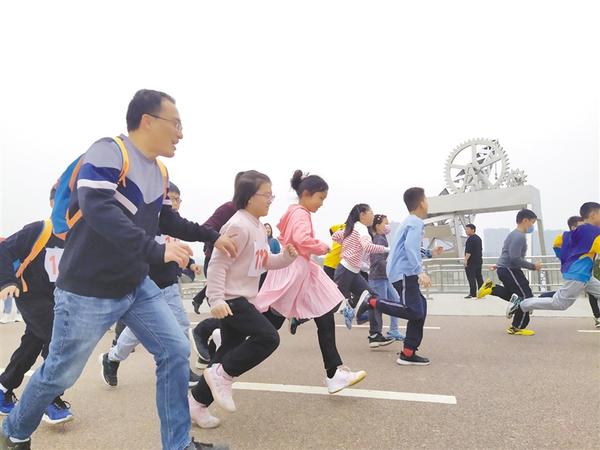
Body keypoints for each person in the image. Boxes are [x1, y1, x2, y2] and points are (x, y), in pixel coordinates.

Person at [0, 89, 234, 450]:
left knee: (174, 350)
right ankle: (13, 432)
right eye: (175, 124)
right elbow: (98, 208)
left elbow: (166, 219)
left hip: (135, 285)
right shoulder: (109, 151)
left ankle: (177, 445)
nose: (180, 133)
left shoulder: (159, 171)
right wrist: (156, 250)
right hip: (87, 291)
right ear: (147, 121)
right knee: (60, 372)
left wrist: (211, 236)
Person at [189, 170, 298, 427]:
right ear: (249, 197)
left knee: (227, 351)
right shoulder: (238, 225)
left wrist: (286, 258)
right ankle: (222, 376)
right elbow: (218, 264)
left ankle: (195, 404)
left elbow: (264, 261)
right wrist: (216, 299)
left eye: (272, 195)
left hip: (243, 299)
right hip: (231, 299)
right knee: (268, 337)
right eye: (267, 195)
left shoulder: (257, 226)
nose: (271, 200)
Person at [254, 170, 367, 393]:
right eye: (320, 198)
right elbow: (300, 239)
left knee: (322, 313)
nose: (321, 204)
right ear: (306, 194)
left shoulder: (293, 212)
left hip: (298, 270)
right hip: (296, 271)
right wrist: (321, 247)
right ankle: (226, 336)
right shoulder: (301, 213)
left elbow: (289, 236)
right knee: (272, 321)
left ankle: (334, 373)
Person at [100, 182, 203, 388]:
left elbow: (173, 247)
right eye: (171, 199)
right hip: (148, 284)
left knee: (180, 324)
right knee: (136, 332)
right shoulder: (148, 220)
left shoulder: (173, 224)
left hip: (169, 284)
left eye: (177, 200)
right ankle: (112, 358)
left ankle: (182, 370)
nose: (174, 204)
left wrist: (190, 263)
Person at [354, 188, 442, 365]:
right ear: (421, 203)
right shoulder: (416, 222)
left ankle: (408, 352)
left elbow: (406, 247)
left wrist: (429, 253)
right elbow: (409, 247)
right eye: (426, 199)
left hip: (402, 272)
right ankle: (372, 302)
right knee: (414, 310)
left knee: (420, 308)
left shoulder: (409, 221)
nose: (427, 202)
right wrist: (420, 271)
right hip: (405, 273)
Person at [0, 214, 72, 424]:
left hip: (57, 299)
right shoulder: (40, 229)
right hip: (30, 294)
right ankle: (48, 399)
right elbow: (4, 250)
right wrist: (6, 281)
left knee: (31, 344)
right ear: (54, 204)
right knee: (58, 339)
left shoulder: (78, 237)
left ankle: (4, 387)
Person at [507, 202, 600, 321]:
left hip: (582, 274)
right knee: (560, 304)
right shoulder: (595, 233)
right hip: (578, 275)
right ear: (593, 215)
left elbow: (557, 243)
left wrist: (568, 260)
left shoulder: (576, 231)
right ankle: (521, 304)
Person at [332, 204, 394, 348]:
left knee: (374, 298)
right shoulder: (361, 228)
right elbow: (368, 247)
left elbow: (335, 236)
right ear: (362, 214)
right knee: (331, 303)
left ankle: (375, 335)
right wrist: (388, 249)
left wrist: (348, 240)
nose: (373, 215)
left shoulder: (353, 227)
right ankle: (299, 318)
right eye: (371, 212)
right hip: (345, 271)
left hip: (353, 272)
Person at [477, 209, 541, 335]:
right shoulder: (519, 237)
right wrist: (533, 266)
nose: (532, 226)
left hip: (505, 268)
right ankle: (517, 327)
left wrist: (498, 265)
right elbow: (515, 258)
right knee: (526, 297)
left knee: (515, 295)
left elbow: (506, 253)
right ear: (525, 221)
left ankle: (491, 288)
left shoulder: (513, 234)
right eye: (532, 223)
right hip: (511, 269)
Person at [369, 214, 405, 341]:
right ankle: (373, 331)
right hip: (377, 278)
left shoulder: (382, 237)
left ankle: (394, 330)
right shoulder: (379, 239)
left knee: (395, 300)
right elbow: (378, 260)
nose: (388, 226)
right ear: (378, 226)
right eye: (386, 223)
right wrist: (391, 269)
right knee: (379, 305)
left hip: (384, 278)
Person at [464, 223, 483, 299]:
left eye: (467, 229)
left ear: (473, 230)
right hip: (478, 261)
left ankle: (472, 294)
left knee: (471, 278)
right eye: (465, 229)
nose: (466, 231)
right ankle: (481, 293)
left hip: (471, 262)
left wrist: (466, 260)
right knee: (479, 277)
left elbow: (469, 251)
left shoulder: (470, 239)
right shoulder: (478, 238)